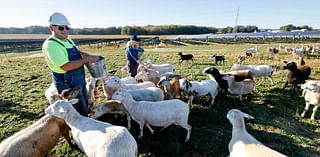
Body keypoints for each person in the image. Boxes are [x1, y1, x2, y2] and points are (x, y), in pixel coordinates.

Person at [42, 12, 99, 116]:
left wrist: (90, 56)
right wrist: (88, 59)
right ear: (51, 28)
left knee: (83, 103)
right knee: (76, 110)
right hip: (67, 82)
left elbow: (78, 54)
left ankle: (85, 119)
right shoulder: (51, 45)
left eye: (67, 27)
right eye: (61, 28)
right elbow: (66, 66)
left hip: (78, 78)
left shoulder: (68, 40)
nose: (65, 30)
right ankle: (80, 128)